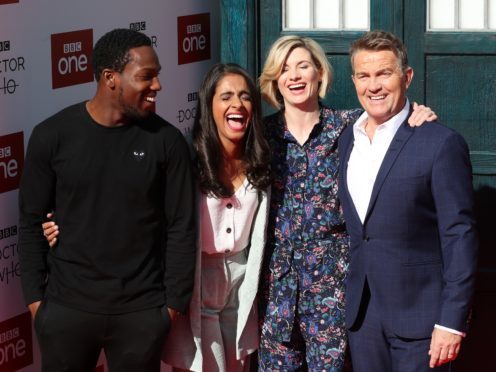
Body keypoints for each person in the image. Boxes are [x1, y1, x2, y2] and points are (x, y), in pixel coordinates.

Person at [43, 63, 272, 372]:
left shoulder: (263, 163)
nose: (237, 105)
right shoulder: (187, 162)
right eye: (227, 96)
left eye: (245, 97)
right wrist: (64, 223)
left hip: (240, 292)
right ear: (209, 105)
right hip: (194, 286)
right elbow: (135, 206)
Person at [19, 28, 196, 372]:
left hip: (141, 313)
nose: (157, 86)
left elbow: (181, 227)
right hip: (65, 311)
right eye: (146, 76)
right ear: (110, 78)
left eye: (157, 75)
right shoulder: (51, 137)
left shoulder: (168, 142)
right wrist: (37, 304)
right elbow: (29, 223)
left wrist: (170, 308)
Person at [257, 35, 437, 371]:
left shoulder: (350, 127)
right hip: (277, 290)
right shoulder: (261, 137)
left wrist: (419, 112)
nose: (294, 76)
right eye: (284, 69)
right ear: (274, 80)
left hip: (334, 290)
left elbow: (394, 120)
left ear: (319, 74)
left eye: (303, 66)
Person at [337, 30, 478, 372]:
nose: (374, 86)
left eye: (384, 73)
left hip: (423, 321)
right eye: (364, 75)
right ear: (354, 80)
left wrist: (451, 321)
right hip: (364, 318)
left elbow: (459, 235)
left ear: (407, 76)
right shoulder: (345, 139)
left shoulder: (439, 143)